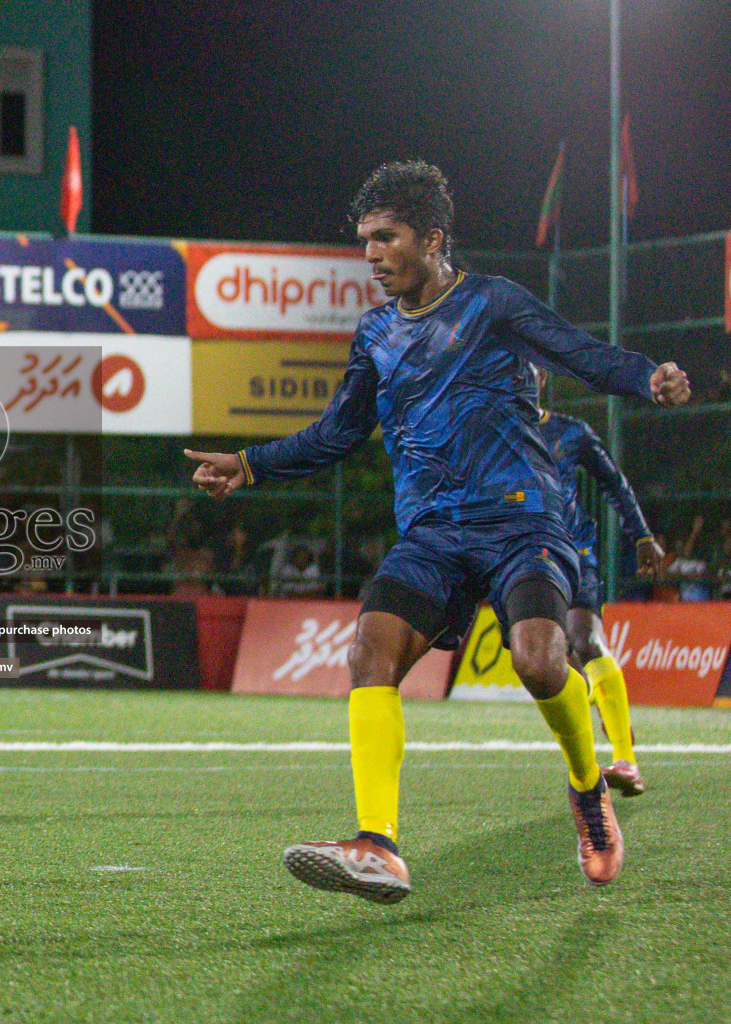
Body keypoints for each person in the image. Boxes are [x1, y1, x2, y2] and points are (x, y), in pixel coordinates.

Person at [185, 160, 690, 903]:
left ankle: (588, 789)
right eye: (363, 240)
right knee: (370, 649)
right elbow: (336, 433)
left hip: (522, 523)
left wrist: (646, 377)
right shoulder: (376, 334)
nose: (371, 254)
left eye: (386, 238)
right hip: (432, 535)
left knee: (542, 664)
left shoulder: (492, 302)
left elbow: (579, 352)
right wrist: (250, 465)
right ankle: (378, 845)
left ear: (432, 237)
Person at [534, 368, 663, 796]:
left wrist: (641, 534)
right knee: (558, 664)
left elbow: (614, 483)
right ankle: (599, 708)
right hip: (527, 564)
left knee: (586, 640)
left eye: (527, 368)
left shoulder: (571, 433)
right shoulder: (496, 436)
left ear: (541, 379)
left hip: (575, 552)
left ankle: (626, 760)